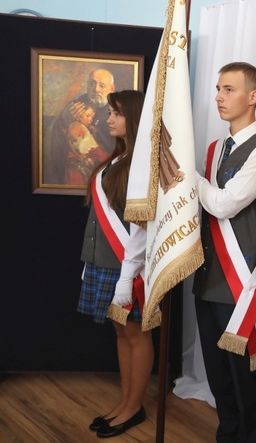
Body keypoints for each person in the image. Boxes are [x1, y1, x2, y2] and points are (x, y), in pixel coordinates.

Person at [193, 61, 256, 442]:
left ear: (253, 96)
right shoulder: (216, 150)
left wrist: (188, 178)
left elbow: (224, 205)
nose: (218, 96)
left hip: (243, 285)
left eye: (228, 89)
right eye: (218, 88)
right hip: (208, 278)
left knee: (246, 381)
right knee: (219, 379)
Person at [77, 90, 152, 438]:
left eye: (116, 113)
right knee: (121, 333)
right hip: (103, 262)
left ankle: (134, 407)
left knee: (136, 334)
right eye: (109, 112)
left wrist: (128, 276)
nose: (109, 119)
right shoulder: (115, 160)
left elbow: (140, 227)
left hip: (127, 267)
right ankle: (124, 402)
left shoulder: (144, 164)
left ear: (133, 118)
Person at [45, 68, 117, 185]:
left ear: (112, 88)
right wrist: (65, 120)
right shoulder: (77, 104)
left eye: (102, 85)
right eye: (92, 84)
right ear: (87, 85)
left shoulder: (118, 108)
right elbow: (56, 134)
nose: (96, 89)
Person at [65, 104, 108, 185]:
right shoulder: (78, 127)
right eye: (87, 115)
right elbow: (92, 151)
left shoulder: (83, 127)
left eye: (92, 117)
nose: (90, 119)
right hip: (79, 173)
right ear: (78, 115)